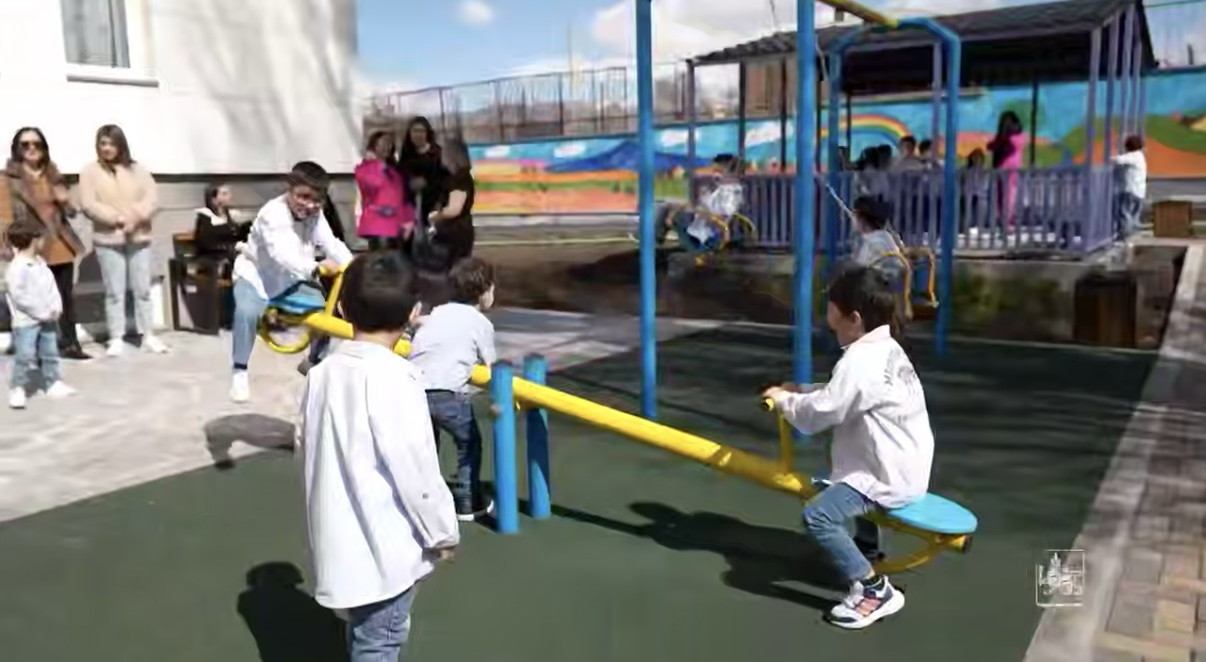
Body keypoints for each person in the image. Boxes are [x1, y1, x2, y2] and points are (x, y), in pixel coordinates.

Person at [300, 251, 459, 661]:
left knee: (364, 631)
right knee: (379, 642)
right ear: (414, 313)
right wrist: (442, 531)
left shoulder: (321, 374)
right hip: (386, 551)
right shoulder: (398, 379)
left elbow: (305, 446)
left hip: (337, 540)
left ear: (342, 307)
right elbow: (416, 472)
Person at [763, 266, 933, 629]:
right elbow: (844, 395)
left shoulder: (860, 361)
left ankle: (874, 590)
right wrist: (802, 390)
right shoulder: (886, 348)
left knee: (818, 515)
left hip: (887, 475)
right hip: (905, 465)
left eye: (831, 306)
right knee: (846, 481)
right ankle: (868, 550)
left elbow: (823, 412)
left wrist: (783, 401)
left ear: (853, 318)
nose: (827, 312)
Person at [228, 161, 354, 403]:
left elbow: (330, 242)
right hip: (256, 275)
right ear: (289, 189)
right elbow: (282, 255)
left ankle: (313, 359)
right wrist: (315, 268)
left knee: (325, 312)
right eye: (303, 197)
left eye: (316, 199)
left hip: (289, 281)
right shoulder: (272, 214)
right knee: (246, 312)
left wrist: (352, 266)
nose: (309, 205)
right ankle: (239, 371)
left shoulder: (315, 214)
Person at [408, 256, 497, 521]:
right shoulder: (482, 324)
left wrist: (414, 325)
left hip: (413, 390)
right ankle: (467, 501)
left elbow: (423, 331)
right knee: (468, 444)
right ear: (485, 293)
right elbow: (492, 367)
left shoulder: (437, 312)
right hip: (448, 395)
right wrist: (499, 399)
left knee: (426, 446)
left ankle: (422, 500)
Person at [0, 127, 91, 360]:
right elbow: (5, 215)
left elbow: (71, 211)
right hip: (31, 246)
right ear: (17, 149)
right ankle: (36, 348)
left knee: (64, 298)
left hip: (60, 244)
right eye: (25, 144)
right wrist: (8, 245)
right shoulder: (9, 179)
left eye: (37, 144)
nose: (32, 148)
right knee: (34, 301)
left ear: (44, 148)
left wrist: (66, 200)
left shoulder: (53, 173)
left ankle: (70, 344)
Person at [79, 124, 168, 357]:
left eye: (112, 143)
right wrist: (117, 218)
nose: (107, 148)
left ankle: (149, 335)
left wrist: (135, 216)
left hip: (139, 237)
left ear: (121, 145)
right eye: (103, 143)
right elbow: (89, 204)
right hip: (108, 240)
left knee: (142, 289)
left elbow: (152, 199)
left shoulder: (137, 170)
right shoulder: (90, 172)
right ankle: (116, 338)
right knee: (114, 292)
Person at [5, 219, 76, 408]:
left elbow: (52, 288)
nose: (45, 241)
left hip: (48, 318)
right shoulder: (17, 268)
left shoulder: (40, 263)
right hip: (26, 322)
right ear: (33, 240)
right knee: (25, 355)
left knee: (50, 351)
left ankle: (53, 382)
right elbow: (20, 297)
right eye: (42, 238)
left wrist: (56, 307)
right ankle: (18, 387)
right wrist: (42, 311)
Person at [424, 137, 476, 272]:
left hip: (454, 233)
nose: (442, 156)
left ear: (452, 155)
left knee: (452, 272)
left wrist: (433, 216)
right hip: (460, 230)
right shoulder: (459, 177)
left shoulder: (460, 179)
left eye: (444, 152)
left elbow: (454, 209)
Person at [355, 130, 411, 251]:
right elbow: (372, 184)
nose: (387, 146)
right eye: (383, 143)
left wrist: (407, 219)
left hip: (396, 226)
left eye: (389, 143)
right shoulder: (365, 168)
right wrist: (376, 164)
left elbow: (401, 198)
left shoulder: (394, 173)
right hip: (377, 224)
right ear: (374, 146)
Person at [396, 116, 445, 230]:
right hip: (411, 206)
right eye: (415, 131)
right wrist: (410, 183)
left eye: (422, 131)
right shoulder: (406, 154)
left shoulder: (436, 153)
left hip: (433, 203)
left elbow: (444, 178)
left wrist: (426, 182)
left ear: (427, 133)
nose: (418, 134)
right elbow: (400, 176)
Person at [193, 182, 249, 262]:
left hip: (231, 255)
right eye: (224, 194)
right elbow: (205, 243)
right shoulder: (205, 216)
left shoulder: (231, 214)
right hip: (213, 258)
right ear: (213, 198)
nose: (229, 196)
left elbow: (236, 236)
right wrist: (231, 246)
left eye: (228, 193)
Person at [987, 111, 1024, 226]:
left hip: (1006, 167)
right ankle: (1005, 218)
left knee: (1006, 194)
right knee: (1005, 194)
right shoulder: (1015, 135)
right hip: (1007, 167)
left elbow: (1006, 148)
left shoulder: (1010, 137)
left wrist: (996, 146)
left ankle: (1006, 219)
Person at [1112, 135, 1147, 239]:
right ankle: (1132, 236)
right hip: (1140, 192)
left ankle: (1125, 236)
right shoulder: (1140, 156)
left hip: (1130, 190)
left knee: (1124, 213)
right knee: (1133, 216)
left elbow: (1118, 160)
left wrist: (1108, 158)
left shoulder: (1133, 156)